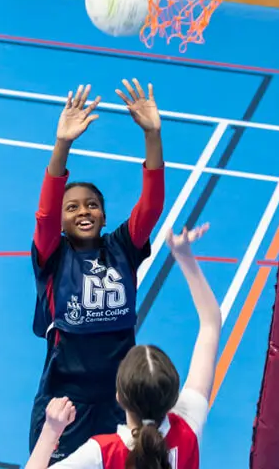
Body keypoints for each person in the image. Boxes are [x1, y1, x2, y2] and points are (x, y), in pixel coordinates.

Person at [30, 80, 165, 462]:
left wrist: (152, 135)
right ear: (60, 221)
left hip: (119, 398)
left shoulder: (123, 247)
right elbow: (43, 212)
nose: (83, 211)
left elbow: (152, 206)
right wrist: (63, 144)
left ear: (104, 216)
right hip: (65, 400)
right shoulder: (52, 255)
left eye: (91, 205)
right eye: (71, 207)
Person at [26, 224, 221, 469]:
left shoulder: (101, 452)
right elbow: (211, 324)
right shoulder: (189, 423)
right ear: (173, 398)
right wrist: (185, 257)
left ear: (119, 398)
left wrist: (51, 432)